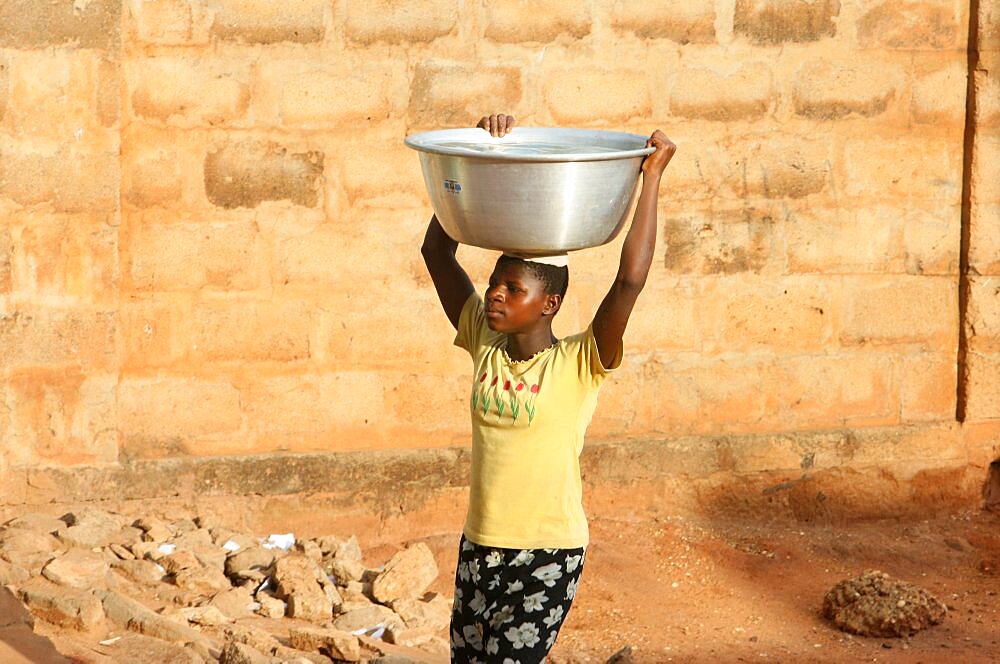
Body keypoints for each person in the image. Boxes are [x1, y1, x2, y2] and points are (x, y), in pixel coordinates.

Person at [421, 113, 676, 663]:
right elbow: (436, 252)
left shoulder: (580, 361)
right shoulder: (481, 338)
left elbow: (630, 280)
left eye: (513, 288)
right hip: (480, 545)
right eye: (494, 283)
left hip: (546, 554)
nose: (494, 295)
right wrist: (482, 155)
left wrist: (650, 178)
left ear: (550, 303)